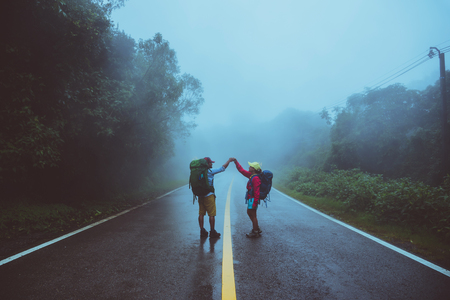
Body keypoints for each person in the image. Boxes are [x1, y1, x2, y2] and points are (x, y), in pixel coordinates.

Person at [198, 157, 233, 238]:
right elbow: (222, 168)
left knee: (201, 213)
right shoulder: (210, 171)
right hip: (209, 195)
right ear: (207, 164)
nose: (212, 164)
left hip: (200, 195)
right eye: (210, 162)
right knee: (211, 214)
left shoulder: (198, 172)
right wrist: (229, 161)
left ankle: (202, 231)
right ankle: (212, 231)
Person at [232, 158, 263, 238]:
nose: (249, 167)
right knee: (250, 213)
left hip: (253, 199)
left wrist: (255, 202)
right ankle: (256, 228)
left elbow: (257, 192)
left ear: (254, 169)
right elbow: (241, 170)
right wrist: (236, 162)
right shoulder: (251, 175)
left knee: (253, 214)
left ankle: (255, 231)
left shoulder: (255, 178)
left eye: (250, 166)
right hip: (250, 198)